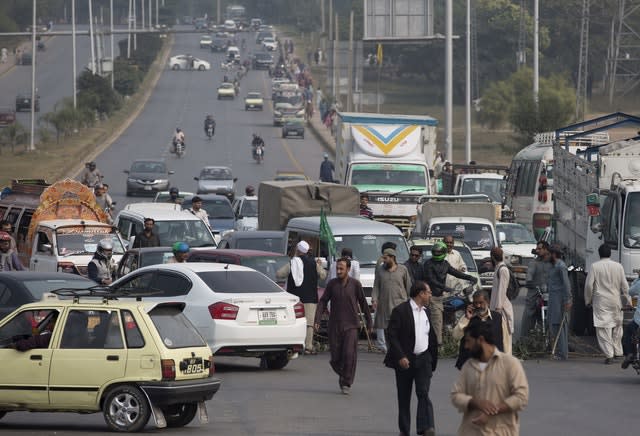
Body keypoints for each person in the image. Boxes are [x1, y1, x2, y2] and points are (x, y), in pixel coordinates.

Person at [451, 318, 529, 436]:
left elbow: (521, 396)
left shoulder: (510, 364)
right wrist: (475, 402)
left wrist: (493, 410)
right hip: (471, 431)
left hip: (501, 431)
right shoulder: (468, 366)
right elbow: (456, 395)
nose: (466, 346)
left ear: (480, 340)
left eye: (468, 341)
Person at [384, 280, 438, 436]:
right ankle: (404, 430)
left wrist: (431, 358)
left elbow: (430, 335)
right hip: (405, 361)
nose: (430, 295)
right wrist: (400, 356)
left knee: (423, 392)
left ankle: (426, 427)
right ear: (421, 293)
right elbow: (392, 336)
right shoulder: (401, 311)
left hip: (423, 359)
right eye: (428, 292)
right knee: (404, 397)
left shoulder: (426, 311)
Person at [314, 257, 372, 395]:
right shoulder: (332, 284)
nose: (339, 271)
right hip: (334, 325)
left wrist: (369, 322)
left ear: (348, 269)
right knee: (335, 358)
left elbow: (363, 303)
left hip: (351, 325)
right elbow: (323, 302)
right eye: (337, 268)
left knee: (349, 354)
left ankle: (346, 382)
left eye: (342, 269)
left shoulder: (355, 284)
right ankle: (343, 373)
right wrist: (317, 319)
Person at [423, 241, 479, 345]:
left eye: (439, 252)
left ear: (444, 252)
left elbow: (456, 272)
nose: (437, 254)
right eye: (435, 252)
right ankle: (438, 345)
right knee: (437, 321)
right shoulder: (428, 264)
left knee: (450, 315)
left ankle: (451, 339)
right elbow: (431, 280)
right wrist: (445, 287)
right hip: (432, 297)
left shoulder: (445, 264)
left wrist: (470, 277)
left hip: (443, 296)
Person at [585, 244, 632, 364]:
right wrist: (629, 300)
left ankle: (609, 355)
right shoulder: (618, 266)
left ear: (599, 253)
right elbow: (625, 285)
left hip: (601, 302)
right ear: (610, 253)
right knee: (617, 326)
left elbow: (589, 285)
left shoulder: (595, 266)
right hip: (616, 300)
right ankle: (618, 352)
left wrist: (588, 300)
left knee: (603, 328)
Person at [372, 248, 411, 353]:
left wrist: (410, 303)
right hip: (384, 306)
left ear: (393, 257)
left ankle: (400, 352)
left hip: (400, 305)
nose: (384, 260)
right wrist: (374, 299)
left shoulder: (403, 269)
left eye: (386, 258)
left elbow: (408, 287)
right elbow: (376, 286)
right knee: (388, 331)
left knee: (400, 331)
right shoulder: (380, 270)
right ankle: (391, 352)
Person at [453, 290, 504, 369]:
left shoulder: (497, 317)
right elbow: (456, 336)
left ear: (488, 302)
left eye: (481, 302)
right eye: (475, 303)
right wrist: (467, 318)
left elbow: (505, 341)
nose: (478, 305)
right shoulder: (467, 318)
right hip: (470, 365)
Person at [287, 241, 323, 354]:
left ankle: (295, 344)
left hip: (295, 299)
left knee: (295, 321)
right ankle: (308, 346)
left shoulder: (292, 263)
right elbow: (323, 275)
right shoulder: (313, 263)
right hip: (310, 298)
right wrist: (319, 265)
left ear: (297, 250)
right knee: (309, 324)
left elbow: (279, 274)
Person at [546, 244, 572, 360]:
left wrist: (568, 299)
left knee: (560, 325)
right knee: (555, 324)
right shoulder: (553, 266)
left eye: (548, 254)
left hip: (560, 300)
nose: (547, 256)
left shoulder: (561, 266)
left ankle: (563, 353)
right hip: (553, 299)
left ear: (554, 254)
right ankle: (560, 351)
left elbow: (566, 284)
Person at [521, 241, 552, 336]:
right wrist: (530, 282)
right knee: (528, 314)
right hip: (535, 293)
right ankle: (524, 340)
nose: (537, 250)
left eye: (540, 249)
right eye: (537, 249)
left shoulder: (553, 263)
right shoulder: (533, 263)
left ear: (546, 250)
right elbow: (529, 275)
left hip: (549, 294)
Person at [489, 247, 514, 354]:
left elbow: (502, 291)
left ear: (492, 257)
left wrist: (498, 309)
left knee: (505, 338)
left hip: (502, 309)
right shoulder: (498, 268)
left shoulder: (503, 270)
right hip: (496, 308)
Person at [622, 272, 640, 368]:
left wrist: (638, 279)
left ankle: (630, 354)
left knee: (628, 330)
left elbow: (630, 292)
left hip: (638, 321)